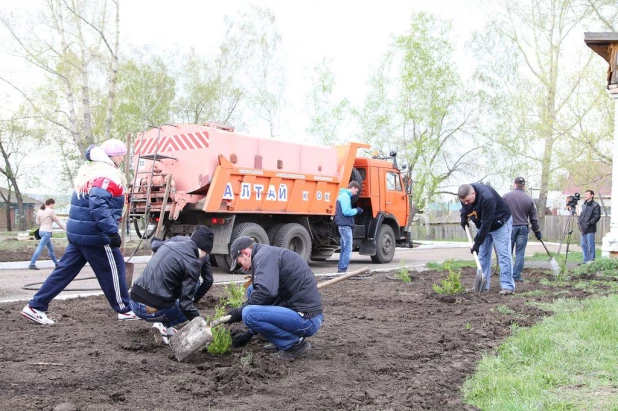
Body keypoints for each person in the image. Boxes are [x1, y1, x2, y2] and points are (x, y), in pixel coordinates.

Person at [20, 139, 137, 325]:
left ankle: (36, 306)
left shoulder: (89, 173)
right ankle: (125, 309)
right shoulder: (106, 176)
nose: (123, 159)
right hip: (96, 235)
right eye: (122, 155)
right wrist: (112, 231)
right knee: (115, 268)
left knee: (64, 272)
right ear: (113, 157)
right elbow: (98, 204)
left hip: (79, 234)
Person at [224, 236, 323, 361]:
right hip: (297, 311)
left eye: (239, 263)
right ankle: (279, 340)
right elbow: (268, 297)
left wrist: (239, 311)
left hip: (308, 320)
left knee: (248, 313)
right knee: (252, 290)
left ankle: (295, 344)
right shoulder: (265, 254)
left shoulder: (263, 257)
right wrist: (249, 334)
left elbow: (266, 292)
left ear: (245, 253)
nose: (243, 268)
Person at [129, 225, 214, 345]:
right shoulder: (193, 263)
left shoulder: (168, 245)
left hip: (134, 301)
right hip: (150, 309)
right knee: (187, 308)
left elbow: (154, 244)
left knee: (172, 294)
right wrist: (201, 324)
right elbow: (186, 305)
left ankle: (166, 328)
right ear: (204, 250)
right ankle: (162, 324)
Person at [459, 183, 515, 295]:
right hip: (483, 224)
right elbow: (465, 208)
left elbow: (486, 223)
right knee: (482, 255)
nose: (465, 203)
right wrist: (463, 216)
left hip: (500, 223)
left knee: (503, 254)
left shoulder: (487, 197)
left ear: (473, 193)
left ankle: (508, 287)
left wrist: (477, 243)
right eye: (463, 201)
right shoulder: (465, 194)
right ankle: (482, 287)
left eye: (467, 200)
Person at [502, 177, 542, 282]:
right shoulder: (529, 199)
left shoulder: (506, 197)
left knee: (507, 252)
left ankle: (507, 275)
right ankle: (516, 276)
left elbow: (499, 212)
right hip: (523, 228)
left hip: (509, 227)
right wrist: (537, 231)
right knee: (520, 253)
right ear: (524, 186)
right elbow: (533, 218)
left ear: (514, 184)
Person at [29, 198, 66, 270]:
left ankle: (56, 263)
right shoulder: (50, 211)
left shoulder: (40, 211)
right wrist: (65, 228)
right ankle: (32, 264)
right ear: (51, 204)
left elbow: (38, 222)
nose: (53, 206)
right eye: (53, 205)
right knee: (40, 248)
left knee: (51, 248)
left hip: (41, 231)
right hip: (47, 232)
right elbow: (57, 221)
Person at [335, 181, 362, 273]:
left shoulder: (342, 195)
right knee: (348, 248)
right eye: (356, 191)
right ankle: (343, 269)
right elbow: (346, 211)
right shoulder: (345, 197)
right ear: (353, 188)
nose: (356, 193)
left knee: (343, 248)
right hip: (345, 226)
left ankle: (341, 268)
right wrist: (357, 210)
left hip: (342, 226)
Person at [577, 190, 601, 264]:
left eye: (587, 194)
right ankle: (585, 260)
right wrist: (579, 222)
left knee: (590, 245)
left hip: (590, 229)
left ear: (592, 195)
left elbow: (597, 216)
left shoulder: (595, 205)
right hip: (582, 228)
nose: (585, 196)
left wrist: (589, 223)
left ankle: (591, 261)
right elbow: (581, 215)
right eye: (585, 194)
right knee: (583, 245)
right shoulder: (584, 204)